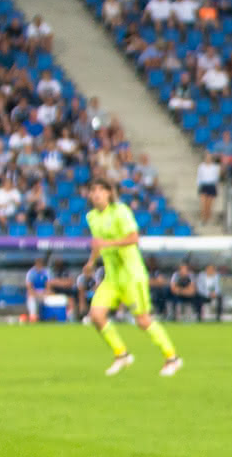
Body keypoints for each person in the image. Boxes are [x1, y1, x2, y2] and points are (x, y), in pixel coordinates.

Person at [82, 179, 182, 376]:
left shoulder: (120, 211)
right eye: (93, 190)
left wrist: (108, 244)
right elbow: (98, 243)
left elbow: (133, 238)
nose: (96, 194)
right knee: (96, 316)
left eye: (101, 190)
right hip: (112, 277)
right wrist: (91, 262)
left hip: (131, 274)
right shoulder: (92, 217)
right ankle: (122, 355)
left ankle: (172, 358)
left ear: (109, 193)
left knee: (143, 321)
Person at [196, 154, 223, 225]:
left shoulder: (215, 167)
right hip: (204, 185)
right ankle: (203, 218)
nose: (208, 159)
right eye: (207, 158)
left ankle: (207, 218)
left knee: (209, 204)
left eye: (209, 158)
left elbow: (217, 178)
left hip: (211, 185)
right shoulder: (201, 166)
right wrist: (199, 185)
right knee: (203, 204)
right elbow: (199, 176)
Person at [24, 257, 50, 323]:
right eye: (38, 263)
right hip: (34, 293)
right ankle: (33, 317)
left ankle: (49, 317)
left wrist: (44, 293)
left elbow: (48, 286)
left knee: (50, 298)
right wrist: (36, 294)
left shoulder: (46, 272)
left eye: (40, 264)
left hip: (44, 293)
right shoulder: (31, 273)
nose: (39, 265)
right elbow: (29, 287)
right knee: (31, 298)